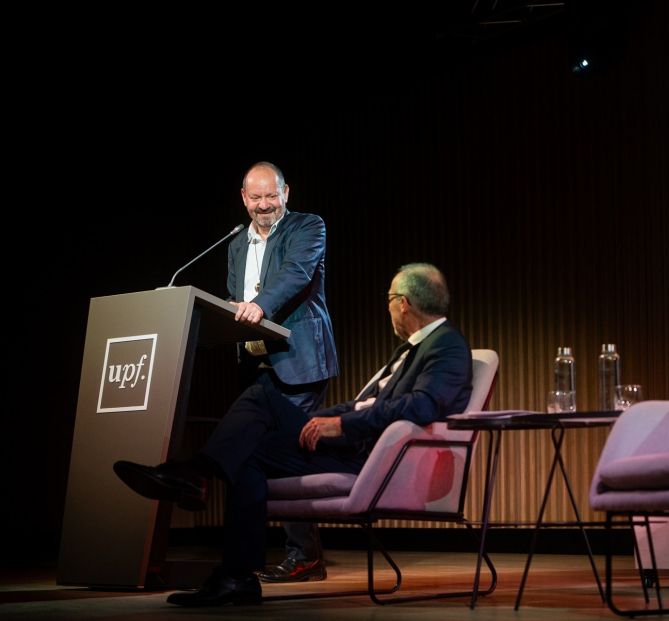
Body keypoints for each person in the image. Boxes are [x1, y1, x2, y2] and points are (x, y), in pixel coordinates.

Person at [114, 263, 473, 607]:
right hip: (350, 446)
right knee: (247, 448)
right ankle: (235, 574)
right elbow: (361, 404)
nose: (389, 308)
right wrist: (319, 420)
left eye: (389, 299)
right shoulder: (412, 349)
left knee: (260, 395)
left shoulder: (447, 346)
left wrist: (342, 426)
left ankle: (196, 475)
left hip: (368, 459)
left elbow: (421, 406)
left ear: (403, 303)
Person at [229, 161, 337, 582]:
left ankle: (304, 556)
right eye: (255, 198)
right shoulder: (237, 242)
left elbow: (296, 274)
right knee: (248, 450)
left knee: (290, 450)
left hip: (301, 360)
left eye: (270, 196)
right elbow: (234, 293)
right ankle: (249, 560)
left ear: (286, 192)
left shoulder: (308, 227)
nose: (263, 205)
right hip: (256, 361)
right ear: (243, 199)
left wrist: (261, 305)